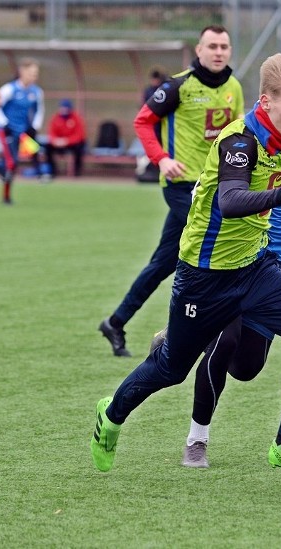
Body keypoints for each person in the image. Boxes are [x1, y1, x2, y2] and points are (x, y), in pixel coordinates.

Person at [90, 53, 281, 482]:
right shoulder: (239, 142)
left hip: (255, 269)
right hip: (203, 277)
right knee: (170, 368)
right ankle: (110, 416)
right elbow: (231, 201)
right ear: (266, 101)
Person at [174, 62, 281, 470]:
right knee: (225, 341)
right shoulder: (254, 134)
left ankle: (180, 336)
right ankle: (197, 439)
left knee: (248, 367)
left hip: (272, 268)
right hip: (229, 259)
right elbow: (216, 190)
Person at [98, 25, 244, 357]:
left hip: (215, 186)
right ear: (199, 50)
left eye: (224, 46)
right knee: (214, 244)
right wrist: (161, 159)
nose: (219, 52)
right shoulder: (178, 86)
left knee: (164, 263)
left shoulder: (234, 87)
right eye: (212, 46)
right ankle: (193, 332)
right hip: (182, 186)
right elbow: (142, 122)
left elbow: (238, 135)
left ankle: (115, 322)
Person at [0, 57, 44, 203]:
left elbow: (39, 110)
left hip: (22, 131)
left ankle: (39, 175)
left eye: (36, 73)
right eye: (31, 73)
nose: (34, 76)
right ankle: (6, 195)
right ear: (22, 72)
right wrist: (4, 124)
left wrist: (35, 126)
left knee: (34, 150)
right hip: (6, 131)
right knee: (11, 162)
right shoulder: (9, 89)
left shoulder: (36, 92)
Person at [136, 67, 169, 183]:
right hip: (153, 126)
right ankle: (153, 171)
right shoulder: (150, 91)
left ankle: (159, 171)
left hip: (162, 126)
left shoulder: (165, 90)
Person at [44, 99, 87, 178]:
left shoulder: (76, 118)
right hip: (58, 143)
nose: (63, 110)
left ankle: (77, 171)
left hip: (71, 144)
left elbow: (79, 135)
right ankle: (52, 171)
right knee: (47, 147)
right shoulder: (55, 118)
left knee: (79, 147)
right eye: (62, 108)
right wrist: (56, 141)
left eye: (66, 108)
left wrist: (67, 141)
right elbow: (51, 133)